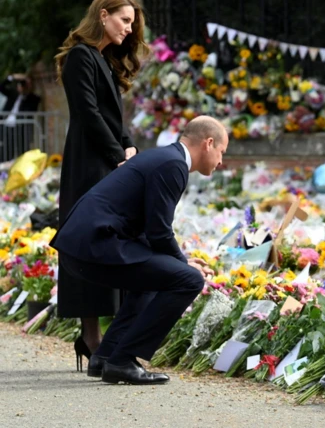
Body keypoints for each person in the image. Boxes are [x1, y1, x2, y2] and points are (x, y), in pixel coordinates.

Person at [50, 116, 228, 385]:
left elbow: (150, 229)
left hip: (81, 246)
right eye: (222, 153)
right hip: (94, 245)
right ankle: (123, 361)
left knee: (160, 277)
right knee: (189, 280)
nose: (221, 161)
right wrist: (183, 265)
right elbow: (159, 231)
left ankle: (106, 356)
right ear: (209, 143)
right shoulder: (174, 165)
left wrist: (178, 262)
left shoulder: (166, 158)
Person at [53, 0, 149, 366]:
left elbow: (113, 121)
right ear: (103, 15)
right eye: (125, 20)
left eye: (131, 23)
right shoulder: (81, 56)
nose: (129, 29)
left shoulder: (104, 61)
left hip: (108, 163)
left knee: (112, 244)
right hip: (88, 166)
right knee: (88, 244)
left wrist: (129, 149)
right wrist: (117, 156)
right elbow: (88, 115)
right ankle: (92, 339)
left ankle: (107, 340)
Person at [0, 74, 41, 162]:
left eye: (26, 84)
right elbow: (1, 87)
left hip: (21, 128)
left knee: (22, 152)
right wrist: (12, 77)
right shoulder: (13, 94)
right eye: (22, 84)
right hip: (6, 126)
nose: (23, 86)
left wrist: (26, 93)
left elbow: (31, 111)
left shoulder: (33, 98)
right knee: (6, 151)